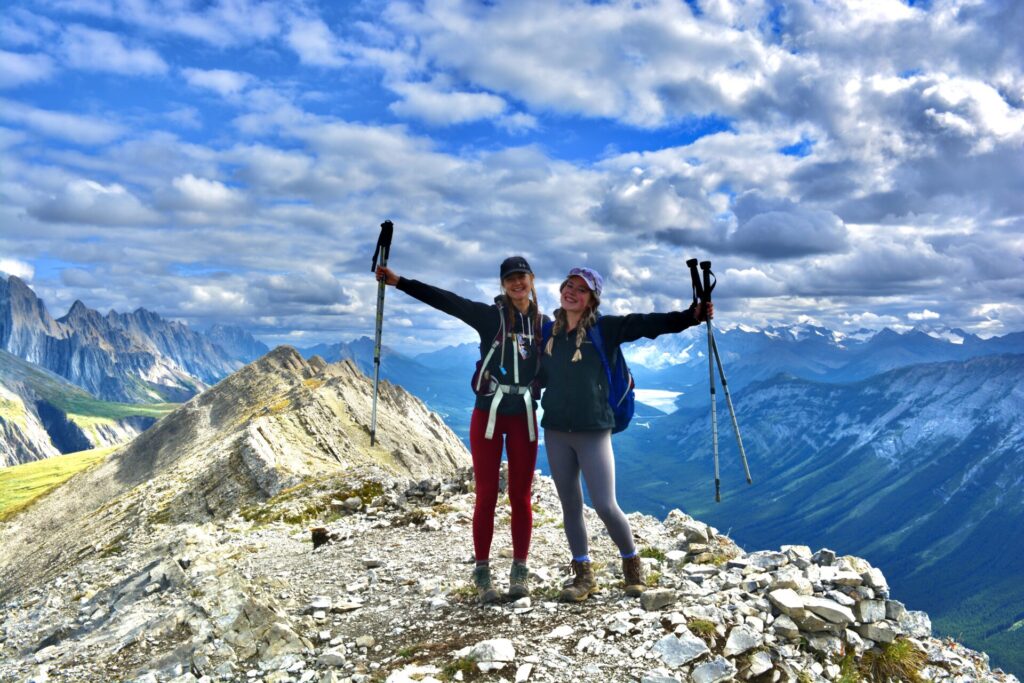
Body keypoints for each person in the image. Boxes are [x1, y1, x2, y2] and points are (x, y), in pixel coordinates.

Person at [376, 256, 548, 603]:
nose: (517, 283)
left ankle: (519, 572)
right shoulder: (490, 316)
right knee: (485, 495)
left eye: (522, 277)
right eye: (510, 279)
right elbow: (448, 301)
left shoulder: (545, 323)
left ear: (531, 279)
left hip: (524, 416)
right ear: (503, 284)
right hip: (489, 414)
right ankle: (482, 573)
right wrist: (401, 282)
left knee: (521, 497)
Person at [540, 266, 711, 602]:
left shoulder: (605, 328)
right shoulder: (549, 332)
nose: (571, 292)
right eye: (568, 286)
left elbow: (648, 323)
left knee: (605, 504)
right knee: (570, 505)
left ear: (591, 300)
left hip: (594, 430)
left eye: (581, 289)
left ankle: (632, 564)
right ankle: (582, 574)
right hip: (556, 429)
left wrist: (690, 316)